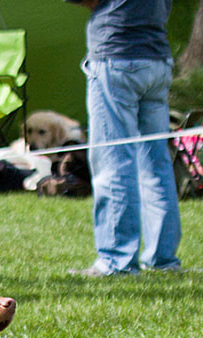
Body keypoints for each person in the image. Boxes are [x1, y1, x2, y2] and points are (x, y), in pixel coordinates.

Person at [67, 0, 181, 277]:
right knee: (156, 163)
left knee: (114, 162)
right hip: (156, 57)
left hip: (116, 56)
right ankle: (162, 258)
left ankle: (116, 260)